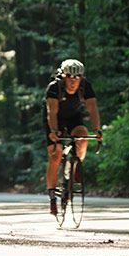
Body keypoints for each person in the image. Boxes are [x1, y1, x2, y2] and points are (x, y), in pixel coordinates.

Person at [44, 58, 101, 216]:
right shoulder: (54, 88)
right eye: (70, 77)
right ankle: (52, 199)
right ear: (64, 76)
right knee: (55, 155)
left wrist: (96, 130)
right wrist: (54, 131)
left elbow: (92, 109)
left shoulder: (85, 87)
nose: (74, 81)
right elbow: (52, 112)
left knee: (82, 135)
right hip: (55, 119)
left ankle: (76, 165)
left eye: (78, 77)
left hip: (74, 117)